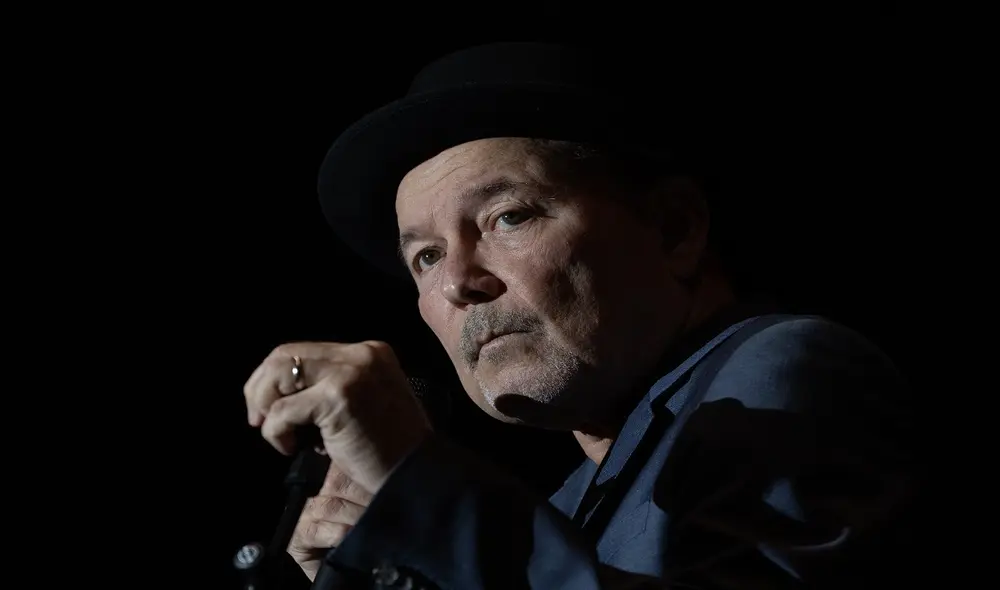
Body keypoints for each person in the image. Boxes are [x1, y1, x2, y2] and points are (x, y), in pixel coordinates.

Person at [242, 43, 919, 589]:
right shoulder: (571, 502)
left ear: (674, 229)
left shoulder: (785, 368)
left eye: (508, 217)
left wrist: (420, 483)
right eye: (424, 256)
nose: (456, 283)